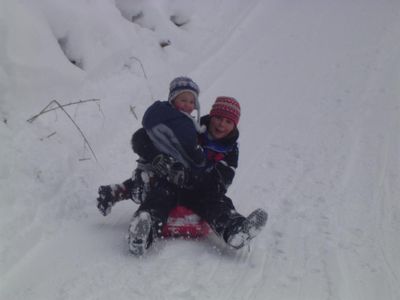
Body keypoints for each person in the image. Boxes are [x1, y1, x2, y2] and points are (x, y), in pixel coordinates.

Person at [97, 78, 267, 255]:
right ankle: (142, 233)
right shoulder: (190, 128)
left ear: (234, 125)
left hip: (201, 192)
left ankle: (235, 230)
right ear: (210, 115)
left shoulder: (230, 150)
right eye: (218, 118)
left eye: (228, 121)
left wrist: (194, 178)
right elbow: (142, 137)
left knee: (218, 203)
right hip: (171, 184)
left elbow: (222, 180)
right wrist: (157, 158)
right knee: (158, 195)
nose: (221, 124)